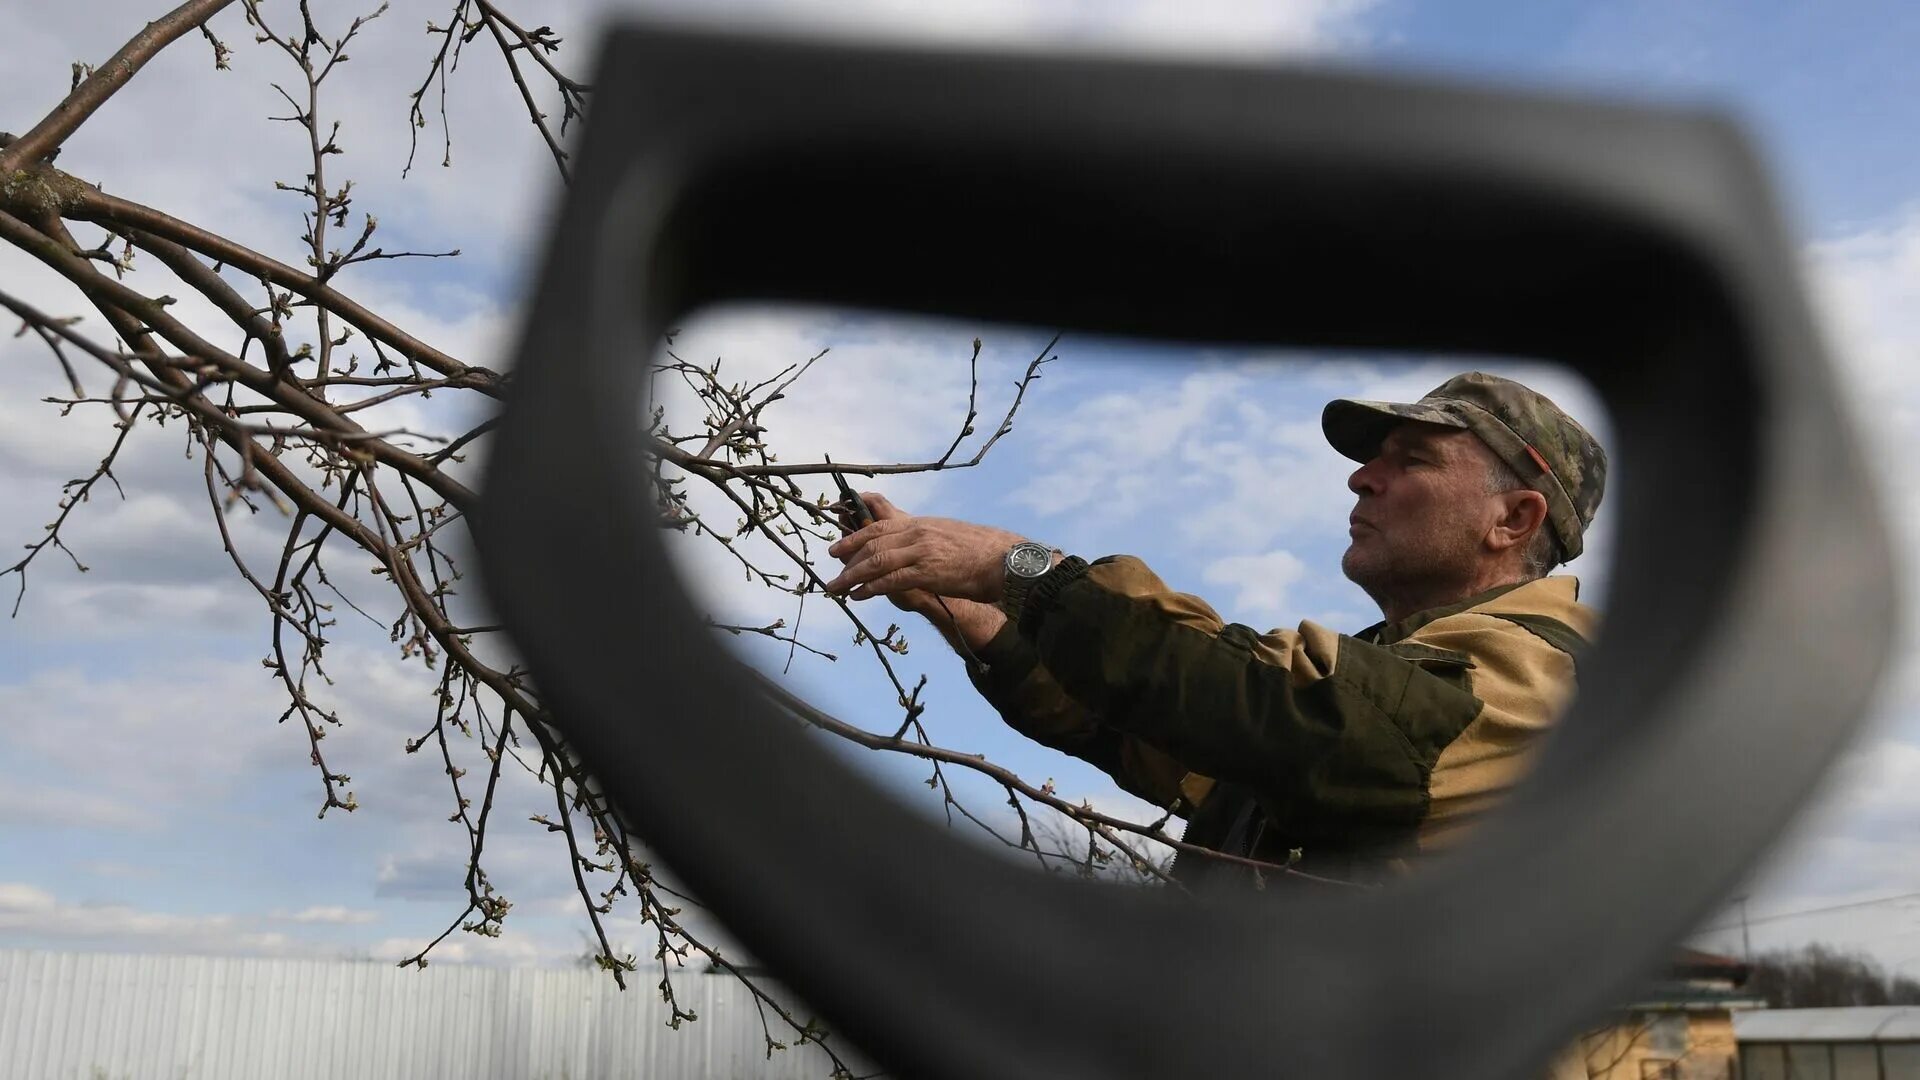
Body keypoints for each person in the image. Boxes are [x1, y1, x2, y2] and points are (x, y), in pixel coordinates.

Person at [823, 371, 1606, 888]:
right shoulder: (1390, 676)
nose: (1363, 475)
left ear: (1513, 518)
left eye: (1415, 460)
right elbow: (1161, 733)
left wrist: (1018, 566)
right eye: (1375, 460)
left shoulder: (1545, 676)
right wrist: (983, 621)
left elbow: (1274, 706)